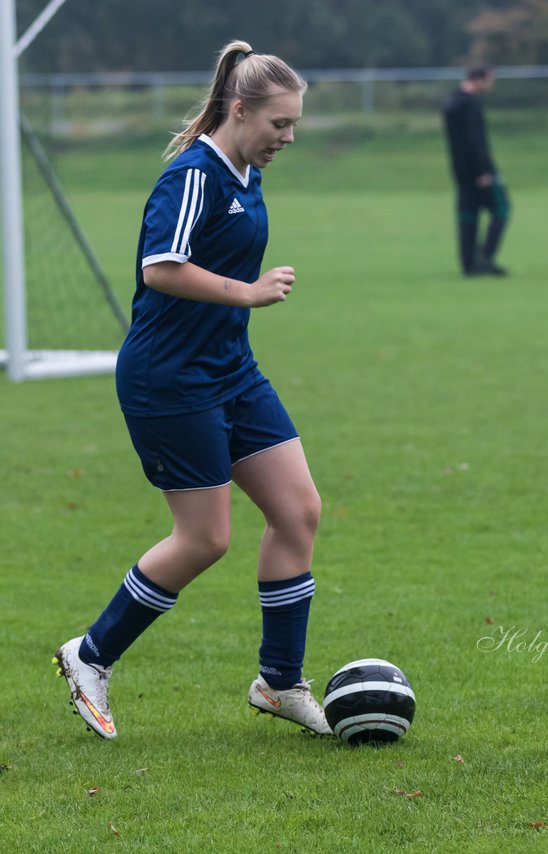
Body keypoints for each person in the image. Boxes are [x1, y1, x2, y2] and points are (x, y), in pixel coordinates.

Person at [52, 40, 330, 740]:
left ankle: (279, 681)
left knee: (297, 511)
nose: (287, 138)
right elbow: (161, 269)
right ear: (240, 110)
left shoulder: (244, 172)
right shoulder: (194, 176)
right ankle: (89, 655)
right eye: (279, 125)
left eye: (294, 125)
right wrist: (251, 292)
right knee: (204, 538)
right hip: (169, 379)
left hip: (231, 370)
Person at [442, 63, 510, 277]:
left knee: (467, 215)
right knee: (502, 209)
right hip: (479, 171)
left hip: (460, 171)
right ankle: (486, 259)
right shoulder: (471, 104)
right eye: (490, 80)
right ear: (479, 79)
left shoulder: (452, 101)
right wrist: (484, 171)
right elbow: (474, 141)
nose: (492, 84)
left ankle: (468, 264)